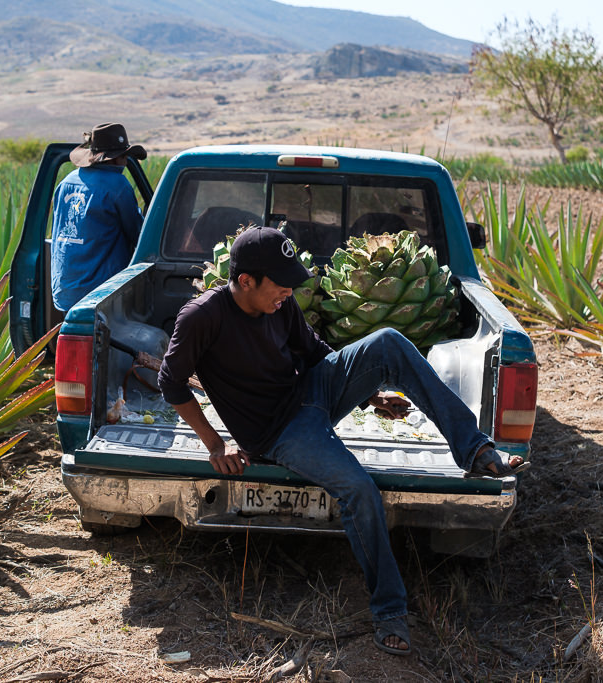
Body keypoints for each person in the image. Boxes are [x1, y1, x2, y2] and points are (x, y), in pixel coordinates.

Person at [157, 225, 528, 656]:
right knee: (358, 489)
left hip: (309, 393)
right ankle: (390, 611)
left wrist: (371, 395)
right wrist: (215, 445)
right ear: (245, 281)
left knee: (388, 342)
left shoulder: (280, 304)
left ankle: (476, 449)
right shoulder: (202, 317)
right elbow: (171, 382)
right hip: (278, 432)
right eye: (280, 285)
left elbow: (315, 353)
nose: (287, 293)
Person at [51, 122, 146, 312]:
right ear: (114, 159)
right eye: (124, 156)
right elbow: (139, 236)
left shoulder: (66, 183)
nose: (126, 163)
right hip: (99, 294)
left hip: (64, 290)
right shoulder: (117, 184)